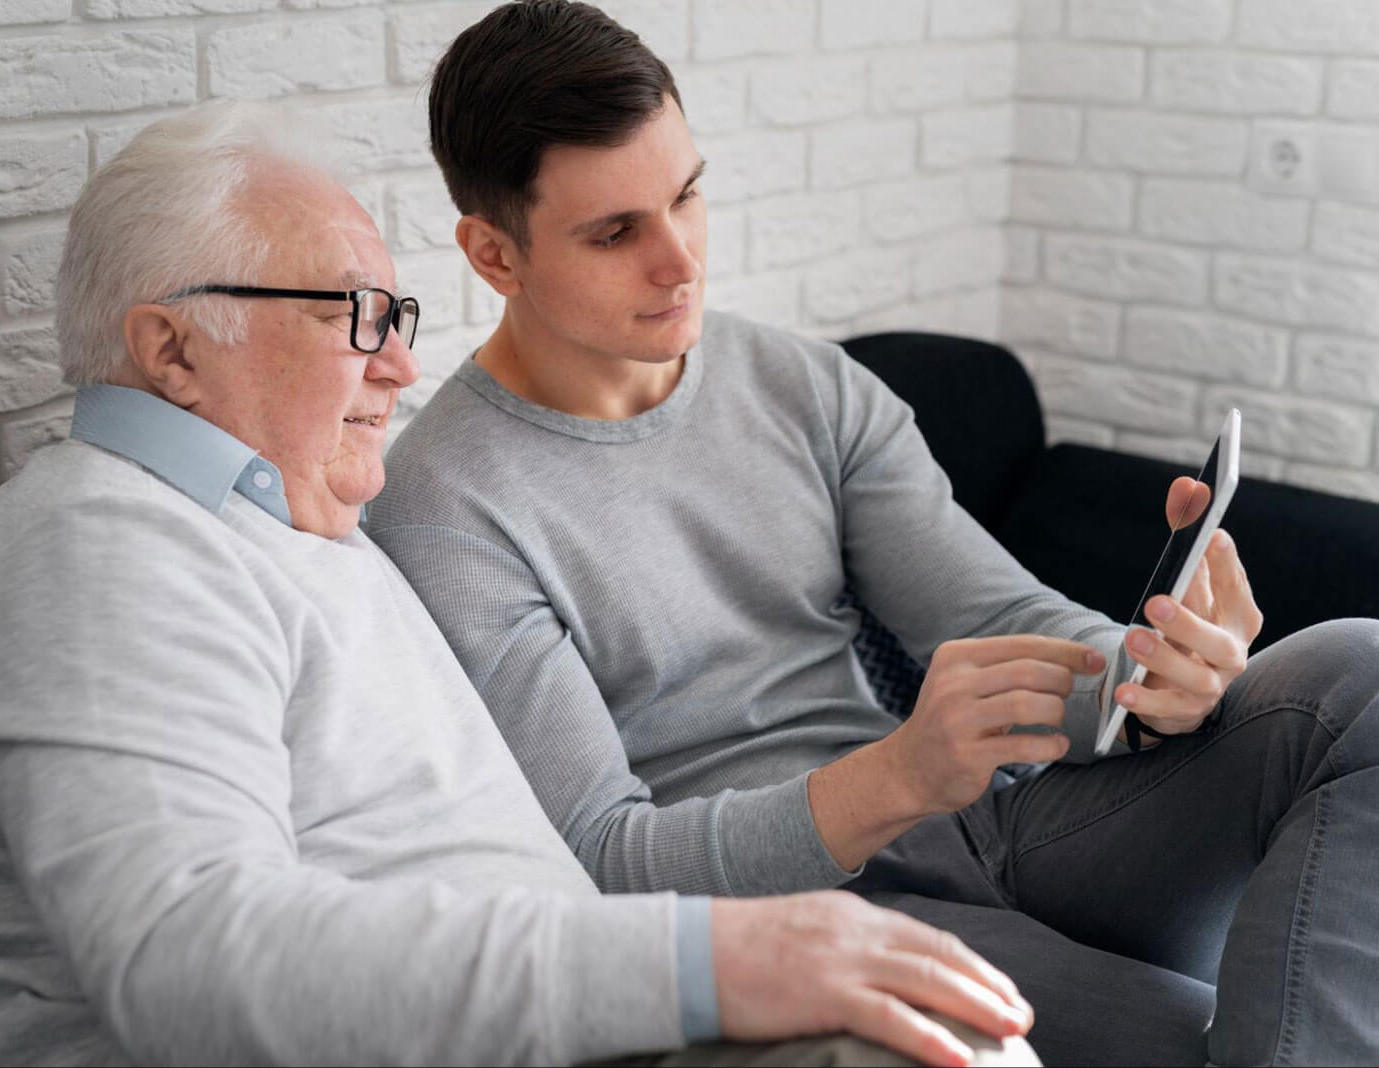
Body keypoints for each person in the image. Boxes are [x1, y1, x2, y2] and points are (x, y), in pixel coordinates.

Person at [0, 98, 1042, 1067]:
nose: (399, 363)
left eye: (398, 317)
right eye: (355, 315)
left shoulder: (299, 532)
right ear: (173, 349)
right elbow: (186, 960)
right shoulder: (96, 551)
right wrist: (714, 959)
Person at [364, 3, 1379, 1065]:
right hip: (796, 914)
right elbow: (603, 863)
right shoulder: (444, 508)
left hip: (998, 821)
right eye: (616, 232)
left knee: (1354, 672)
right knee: (1191, 1038)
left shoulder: (803, 387)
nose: (681, 262)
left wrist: (1156, 672)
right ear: (493, 254)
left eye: (687, 194)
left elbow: (998, 614)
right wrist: (897, 777)